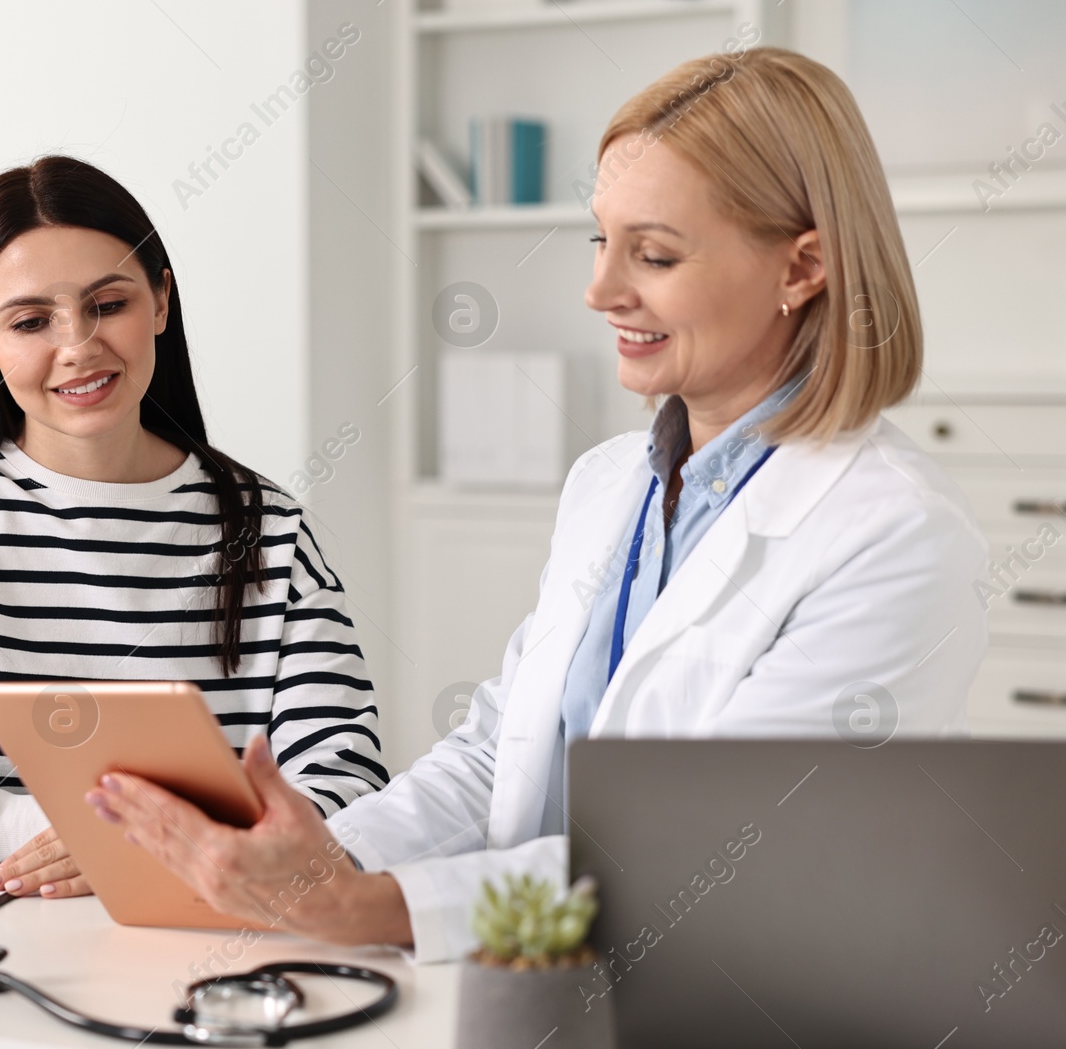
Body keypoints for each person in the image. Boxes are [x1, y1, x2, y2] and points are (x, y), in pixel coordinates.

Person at [85, 47, 989, 960]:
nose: (600, 291)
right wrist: (321, 862)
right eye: (602, 241)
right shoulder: (610, 485)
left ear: (803, 268)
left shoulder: (895, 534)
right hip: (544, 979)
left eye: (657, 254)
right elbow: (496, 759)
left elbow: (722, 859)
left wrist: (369, 910)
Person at [0, 157, 387, 893]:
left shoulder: (272, 531)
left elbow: (356, 798)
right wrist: (55, 831)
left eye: (109, 303)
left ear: (160, 301)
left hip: (189, 955)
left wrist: (165, 847)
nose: (79, 344)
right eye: (31, 321)